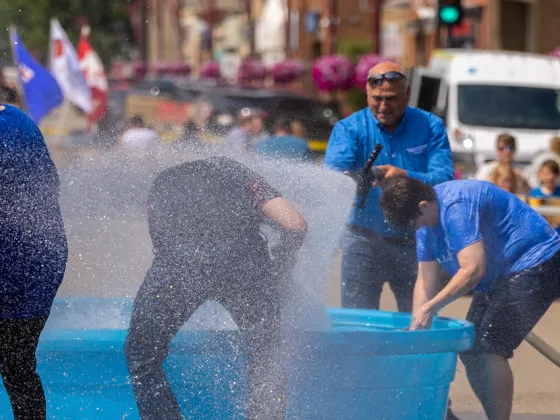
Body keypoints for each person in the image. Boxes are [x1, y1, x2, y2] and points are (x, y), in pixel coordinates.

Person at [124, 156, 307, 420]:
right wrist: (280, 264)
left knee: (142, 354)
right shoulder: (237, 173)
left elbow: (162, 243)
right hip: (244, 262)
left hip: (179, 264)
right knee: (265, 354)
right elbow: (295, 224)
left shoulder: (162, 182)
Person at [379, 175, 560, 420]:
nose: (417, 229)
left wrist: (431, 308)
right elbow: (425, 279)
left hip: (537, 261)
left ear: (423, 205)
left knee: (489, 347)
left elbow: (473, 270)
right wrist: (416, 328)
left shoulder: (455, 206)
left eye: (415, 223)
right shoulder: (425, 223)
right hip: (499, 276)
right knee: (469, 348)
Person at [324, 60, 454, 312]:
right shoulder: (349, 128)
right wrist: (354, 176)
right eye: (377, 98)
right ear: (367, 93)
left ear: (407, 95)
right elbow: (333, 175)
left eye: (392, 98)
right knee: (357, 325)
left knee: (419, 320)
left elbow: (445, 179)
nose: (383, 106)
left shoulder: (431, 126)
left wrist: (404, 175)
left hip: (415, 241)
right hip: (362, 239)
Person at [0, 104, 68, 419]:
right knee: (19, 369)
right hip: (41, 264)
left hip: (13, 266)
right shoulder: (20, 121)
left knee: (17, 368)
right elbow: (50, 184)